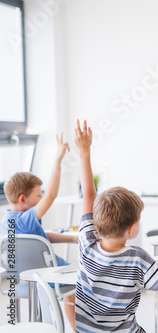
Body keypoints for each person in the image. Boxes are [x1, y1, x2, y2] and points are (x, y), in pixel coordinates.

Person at [73, 120, 158, 333]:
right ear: (132, 229)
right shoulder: (138, 257)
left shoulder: (87, 241)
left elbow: (88, 196)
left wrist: (84, 152)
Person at [0, 133, 77, 331]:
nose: (42, 197)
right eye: (38, 195)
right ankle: (76, 328)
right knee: (78, 281)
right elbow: (51, 195)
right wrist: (58, 159)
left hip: (21, 279)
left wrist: (71, 238)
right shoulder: (26, 219)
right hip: (49, 277)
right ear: (23, 199)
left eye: (41, 193)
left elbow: (39, 237)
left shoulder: (6, 221)